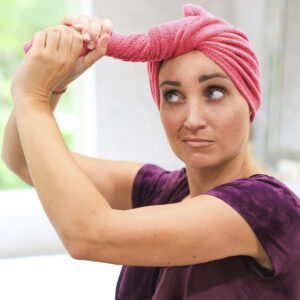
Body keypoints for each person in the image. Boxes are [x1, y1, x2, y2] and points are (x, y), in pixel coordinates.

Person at [2, 3, 300, 300]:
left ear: (250, 101)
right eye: (173, 95)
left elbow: (88, 234)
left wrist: (33, 97)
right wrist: (55, 86)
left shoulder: (266, 206)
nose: (192, 119)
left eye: (214, 92)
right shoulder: (163, 190)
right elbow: (22, 160)